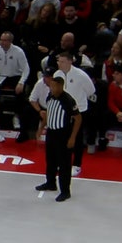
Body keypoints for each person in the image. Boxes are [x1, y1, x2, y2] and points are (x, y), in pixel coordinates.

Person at [35, 71, 82, 202]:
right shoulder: (50, 96)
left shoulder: (68, 100)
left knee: (64, 164)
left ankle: (65, 191)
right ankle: (50, 182)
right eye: (51, 86)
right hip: (51, 132)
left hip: (63, 134)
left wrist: (72, 137)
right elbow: (48, 113)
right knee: (50, 160)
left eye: (54, 86)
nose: (52, 88)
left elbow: (78, 118)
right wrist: (41, 128)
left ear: (61, 86)